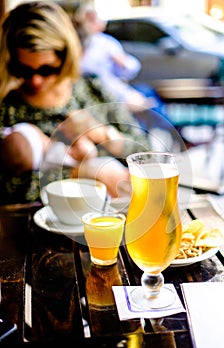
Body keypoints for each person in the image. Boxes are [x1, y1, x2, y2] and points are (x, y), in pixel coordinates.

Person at [0, 1, 150, 205]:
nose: (36, 81)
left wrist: (103, 133)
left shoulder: (91, 89)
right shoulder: (7, 108)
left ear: (65, 58)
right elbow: (8, 190)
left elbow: (146, 151)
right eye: (24, 70)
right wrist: (83, 174)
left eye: (47, 70)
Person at [74, 2, 169, 125]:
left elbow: (128, 69)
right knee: (146, 109)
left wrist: (121, 62)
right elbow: (99, 79)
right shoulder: (87, 44)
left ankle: (172, 134)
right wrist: (127, 96)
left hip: (114, 91)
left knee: (149, 96)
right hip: (104, 95)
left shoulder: (104, 42)